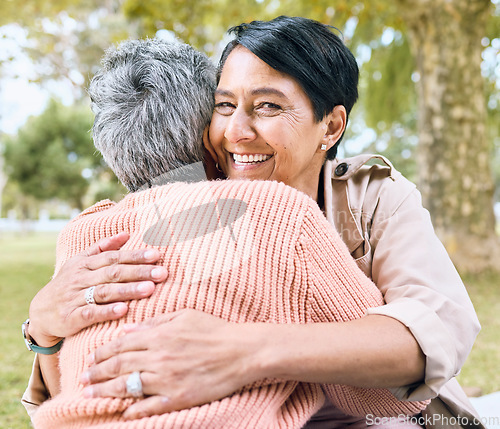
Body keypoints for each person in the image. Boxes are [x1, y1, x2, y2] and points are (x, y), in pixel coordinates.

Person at [22, 17, 483, 428]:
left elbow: (433, 337)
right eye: (224, 105)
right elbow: (87, 383)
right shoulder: (172, 206)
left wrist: (242, 351)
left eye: (268, 107)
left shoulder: (370, 193)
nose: (237, 132)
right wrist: (43, 328)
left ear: (331, 126)